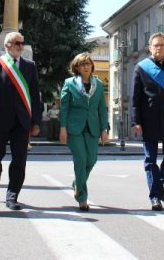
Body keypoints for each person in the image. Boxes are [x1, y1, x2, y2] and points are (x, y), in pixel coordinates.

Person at [0, 31, 41, 211]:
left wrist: (36, 121)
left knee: (19, 160)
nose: (20, 46)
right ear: (7, 46)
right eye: (16, 43)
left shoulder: (30, 66)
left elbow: (35, 96)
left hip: (22, 122)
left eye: (22, 43)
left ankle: (12, 196)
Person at [131, 32, 164, 211]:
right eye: (156, 45)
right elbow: (135, 98)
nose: (159, 48)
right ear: (150, 47)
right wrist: (135, 121)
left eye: (162, 45)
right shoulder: (141, 68)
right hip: (149, 121)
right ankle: (155, 197)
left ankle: (159, 181)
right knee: (150, 160)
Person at [58, 53, 109, 211]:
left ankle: (77, 183)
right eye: (82, 64)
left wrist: (104, 129)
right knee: (80, 160)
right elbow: (64, 108)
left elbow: (102, 108)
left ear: (92, 66)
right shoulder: (69, 83)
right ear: (77, 67)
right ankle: (82, 198)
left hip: (92, 128)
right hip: (74, 128)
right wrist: (63, 128)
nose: (85, 66)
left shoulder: (98, 85)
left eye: (88, 64)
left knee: (91, 160)